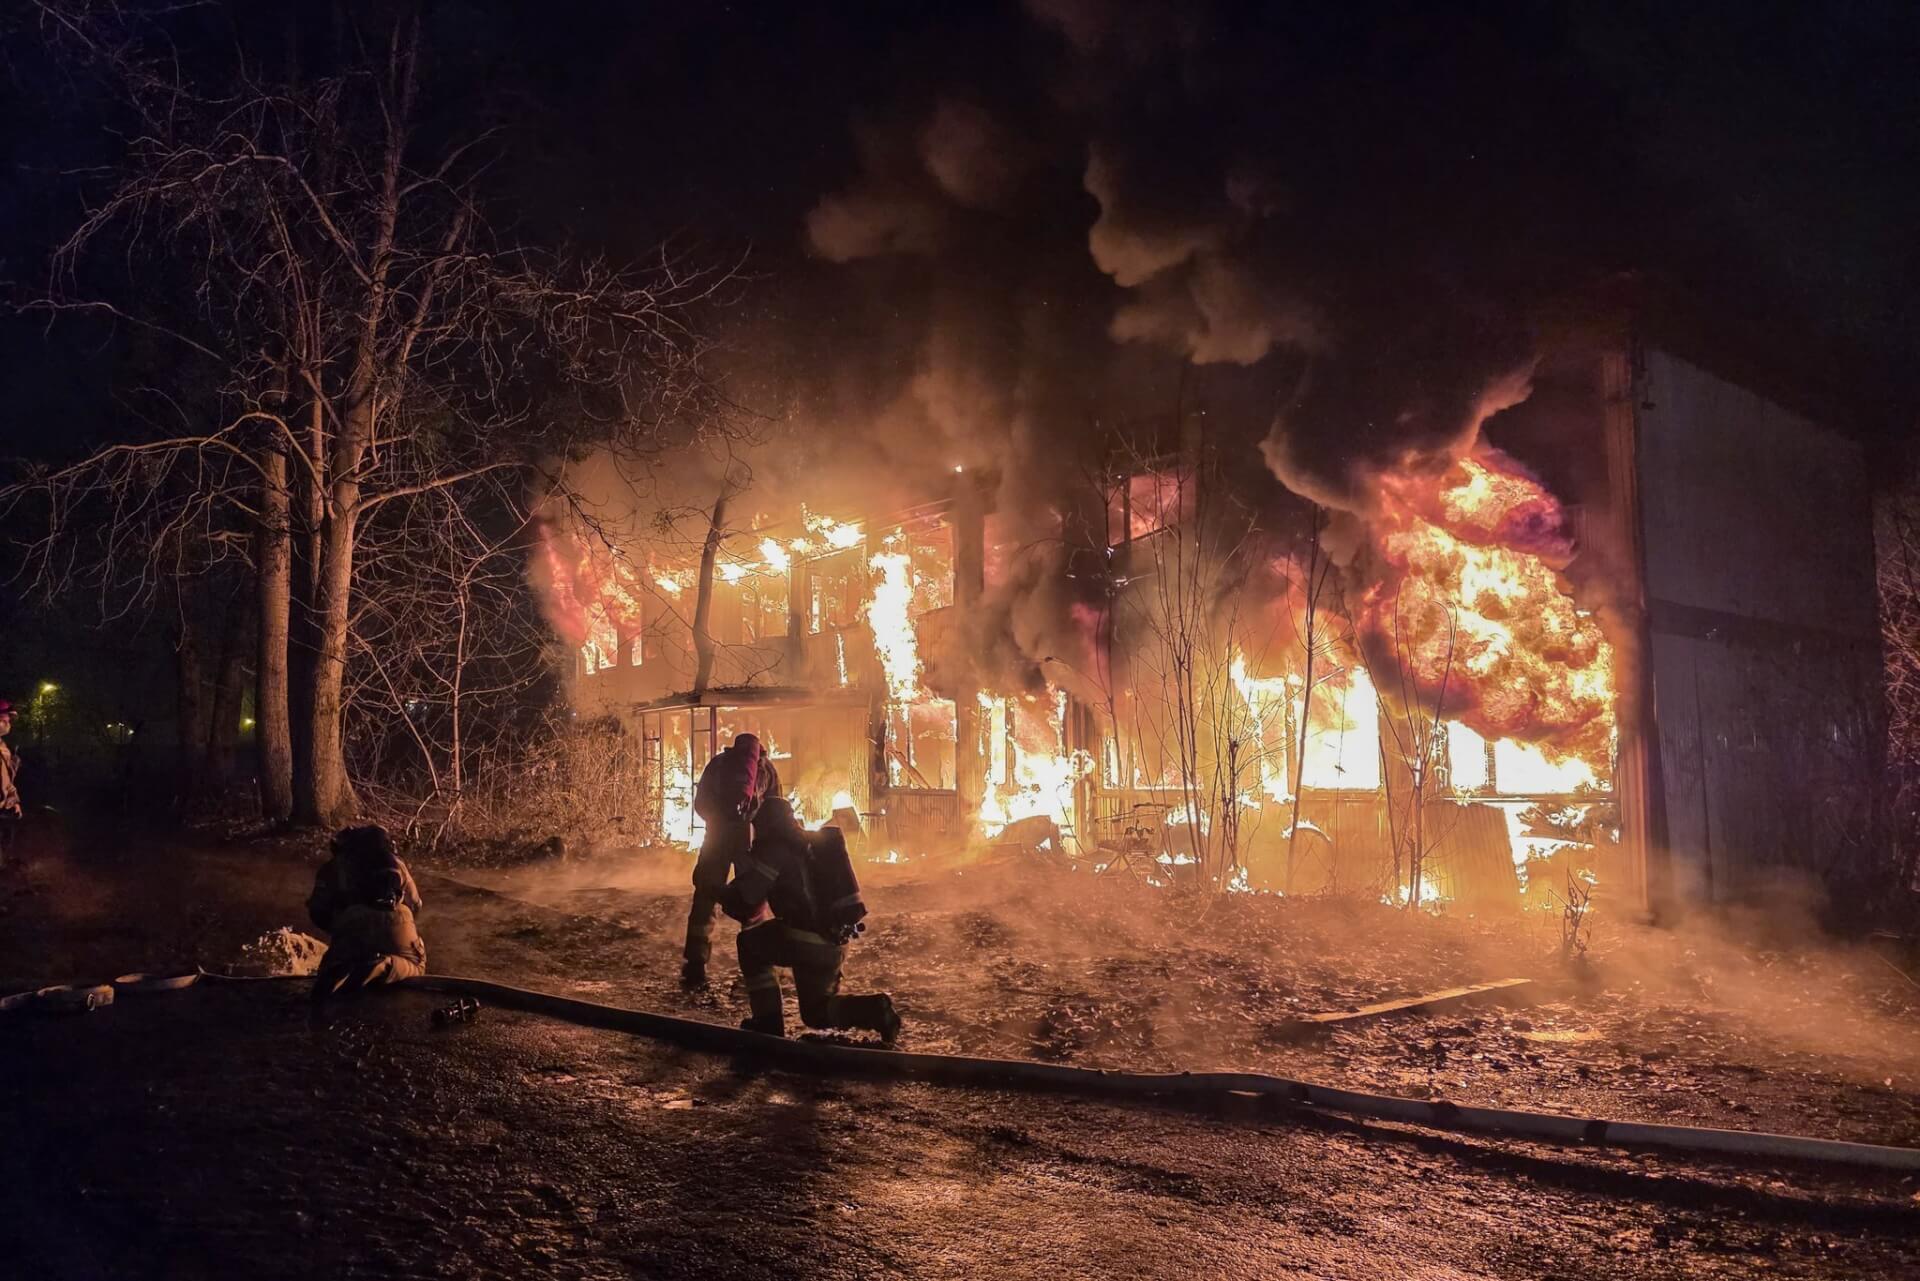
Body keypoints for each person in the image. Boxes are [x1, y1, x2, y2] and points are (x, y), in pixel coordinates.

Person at [721, 796, 899, 1042]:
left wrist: (715, 889)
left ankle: (768, 1022)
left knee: (748, 944)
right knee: (816, 1013)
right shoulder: (813, 845)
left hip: (803, 939)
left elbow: (748, 897)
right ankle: (874, 1011)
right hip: (834, 940)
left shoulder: (776, 850)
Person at [682, 732, 781, 987]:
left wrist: (718, 821)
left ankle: (696, 962)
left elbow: (701, 803)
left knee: (705, 896)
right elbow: (776, 809)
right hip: (750, 843)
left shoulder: (718, 764)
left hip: (716, 839)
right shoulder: (766, 768)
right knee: (752, 900)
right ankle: (757, 961)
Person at [306, 825, 427, 999]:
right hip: (397, 918)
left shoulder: (333, 867)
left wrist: (341, 927)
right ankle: (385, 964)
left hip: (351, 921)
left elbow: (317, 913)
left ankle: (344, 967)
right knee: (416, 966)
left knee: (329, 978)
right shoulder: (396, 863)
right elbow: (415, 904)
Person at [0, 700, 20, 870]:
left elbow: (7, 781)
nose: (8, 723)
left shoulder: (3, 748)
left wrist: (14, 802)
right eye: (5, 718)